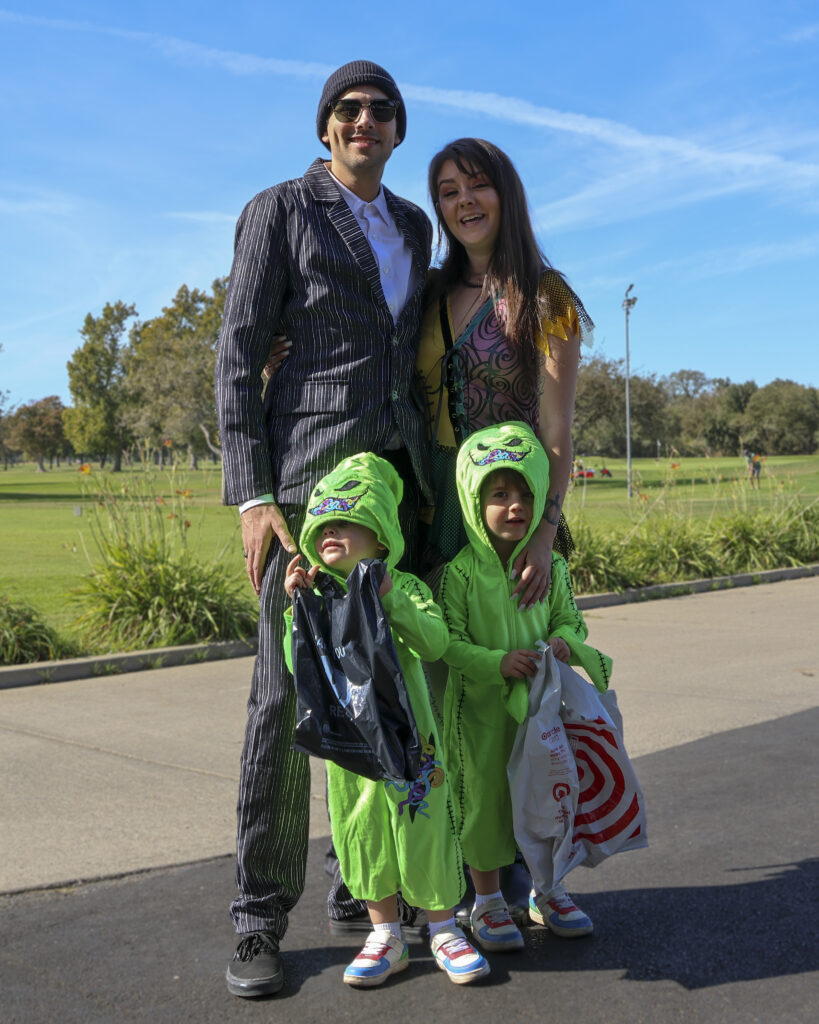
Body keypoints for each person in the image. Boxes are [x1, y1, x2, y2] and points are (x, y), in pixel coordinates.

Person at [215, 60, 434, 998]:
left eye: (381, 112)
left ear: (396, 131)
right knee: (284, 699)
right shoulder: (281, 210)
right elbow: (236, 352)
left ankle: (369, 882)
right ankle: (260, 918)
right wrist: (253, 496)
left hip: (394, 491)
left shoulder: (415, 227)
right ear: (324, 127)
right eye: (348, 110)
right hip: (307, 490)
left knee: (388, 688)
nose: (365, 122)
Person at [283, 452, 490, 986]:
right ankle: (385, 933)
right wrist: (297, 611)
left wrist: (392, 601)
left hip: (413, 743)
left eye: (347, 522)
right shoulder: (319, 599)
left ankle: (443, 927)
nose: (332, 531)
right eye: (323, 523)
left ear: (380, 537)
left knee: (424, 827)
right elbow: (298, 667)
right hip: (352, 751)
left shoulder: (406, 588)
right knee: (363, 832)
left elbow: (436, 641)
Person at [438, 421, 612, 951]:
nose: (514, 505)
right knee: (485, 804)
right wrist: (496, 663)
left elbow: (570, 620)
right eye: (498, 494)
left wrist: (562, 643)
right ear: (473, 502)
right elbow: (449, 643)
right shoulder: (460, 575)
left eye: (525, 493)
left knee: (548, 798)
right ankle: (487, 900)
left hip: (541, 715)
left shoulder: (551, 566)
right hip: (480, 717)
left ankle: (548, 886)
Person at [416, 138, 594, 604]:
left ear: (507, 196)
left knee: (510, 661)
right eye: (449, 191)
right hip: (427, 503)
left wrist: (542, 535)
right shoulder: (429, 290)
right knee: (437, 661)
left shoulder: (547, 295)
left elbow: (557, 429)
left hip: (509, 505)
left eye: (479, 185)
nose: (465, 200)